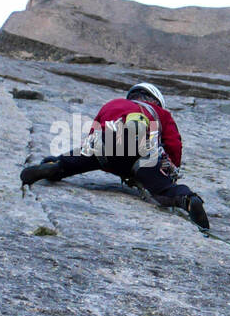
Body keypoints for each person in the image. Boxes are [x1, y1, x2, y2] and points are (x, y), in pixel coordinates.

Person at [20, 82, 209, 229]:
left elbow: (93, 135)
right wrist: (171, 169)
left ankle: (53, 166)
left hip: (106, 146)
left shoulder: (113, 104)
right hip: (142, 154)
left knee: (70, 163)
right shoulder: (161, 113)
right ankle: (188, 200)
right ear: (156, 100)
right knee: (162, 190)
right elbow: (174, 143)